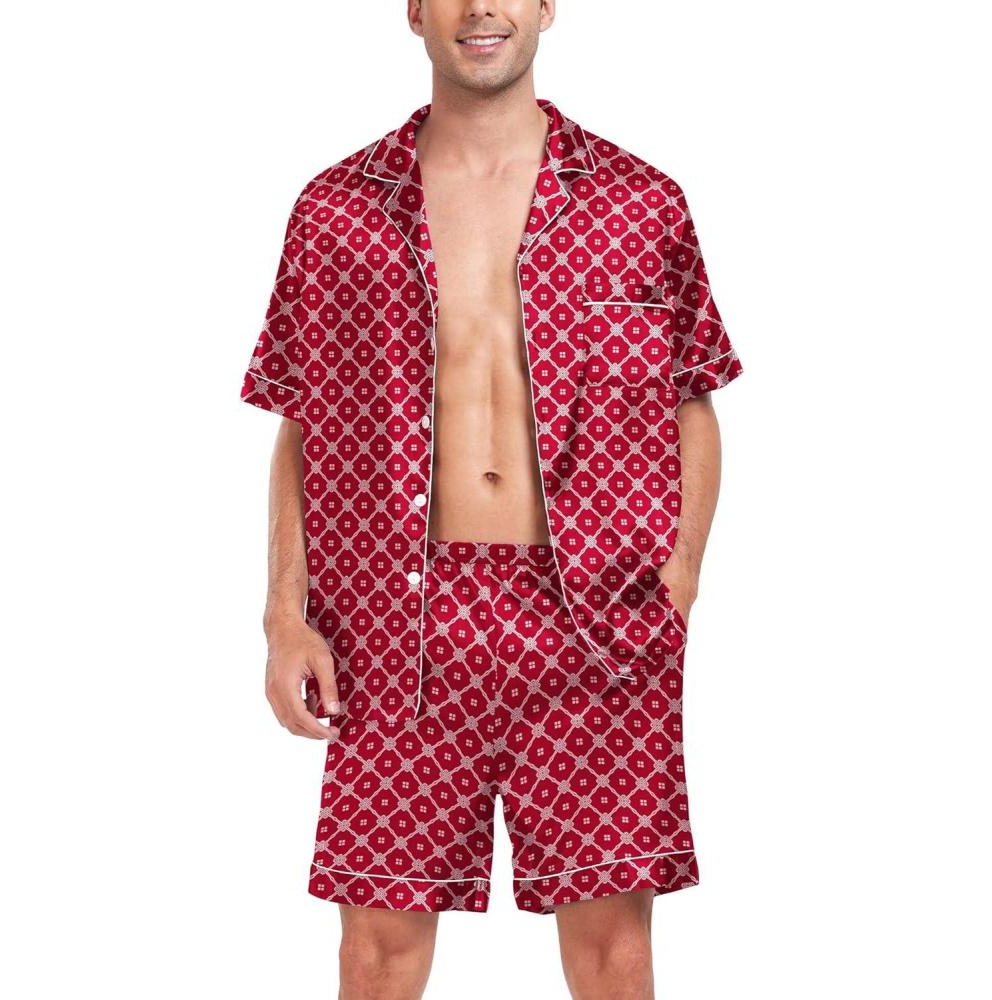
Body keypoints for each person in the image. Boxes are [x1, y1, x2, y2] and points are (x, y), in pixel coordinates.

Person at [239, 2, 743, 997]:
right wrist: (284, 615)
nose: (481, 7)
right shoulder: (338, 212)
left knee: (614, 949)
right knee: (377, 950)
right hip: (395, 623)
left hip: (596, 615)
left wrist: (678, 575)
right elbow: (302, 419)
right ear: (413, 11)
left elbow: (692, 398)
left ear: (547, 6)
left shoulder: (640, 203)